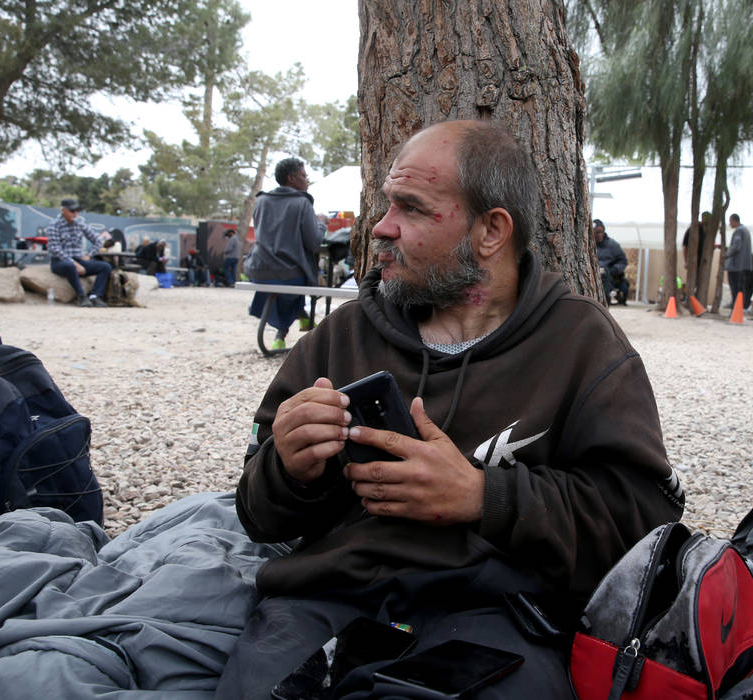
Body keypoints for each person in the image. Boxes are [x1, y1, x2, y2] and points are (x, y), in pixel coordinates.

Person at [219, 120, 685, 699]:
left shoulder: (583, 346)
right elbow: (257, 516)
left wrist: (482, 498)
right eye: (388, 205)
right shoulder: (341, 338)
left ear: (491, 231)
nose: (381, 228)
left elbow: (642, 527)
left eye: (411, 210)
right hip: (325, 599)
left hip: (499, 611)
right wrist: (288, 468)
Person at [244, 157, 323, 350]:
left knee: (283, 279)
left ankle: (285, 332)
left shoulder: (261, 201)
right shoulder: (302, 203)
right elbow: (314, 243)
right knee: (301, 274)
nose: (307, 181)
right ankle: (303, 321)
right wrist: (321, 223)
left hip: (258, 271)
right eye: (304, 176)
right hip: (289, 275)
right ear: (291, 178)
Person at [45, 198, 111, 307]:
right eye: (72, 211)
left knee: (105, 267)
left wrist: (89, 255)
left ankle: (95, 296)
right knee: (70, 266)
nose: (75, 213)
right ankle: (81, 296)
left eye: (76, 210)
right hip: (60, 262)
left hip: (79, 260)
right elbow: (55, 248)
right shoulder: (54, 225)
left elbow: (98, 241)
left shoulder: (80, 224)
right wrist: (76, 265)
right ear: (63, 210)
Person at [594, 219, 629, 305]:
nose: (599, 235)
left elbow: (623, 261)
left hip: (608, 277)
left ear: (603, 232)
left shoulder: (613, 245)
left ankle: (605, 302)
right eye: (596, 232)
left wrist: (614, 270)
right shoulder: (586, 244)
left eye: (600, 232)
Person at [725, 213, 752, 309]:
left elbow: (736, 247)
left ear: (734, 221)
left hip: (736, 266)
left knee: (735, 288)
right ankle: (740, 306)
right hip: (744, 265)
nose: (730, 224)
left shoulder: (739, 231)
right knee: (741, 288)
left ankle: (736, 306)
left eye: (730, 221)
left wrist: (726, 255)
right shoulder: (745, 230)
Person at [682, 211, 711, 299]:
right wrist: (686, 261)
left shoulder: (708, 231)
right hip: (694, 261)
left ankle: (698, 301)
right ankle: (688, 300)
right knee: (692, 282)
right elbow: (685, 246)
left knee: (700, 283)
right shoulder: (693, 229)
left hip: (703, 263)